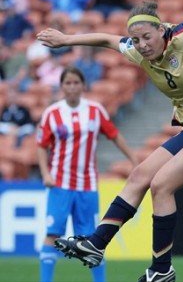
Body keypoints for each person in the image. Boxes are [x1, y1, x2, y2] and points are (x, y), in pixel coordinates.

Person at [36, 0, 183, 282]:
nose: (142, 45)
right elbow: (106, 39)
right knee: (140, 175)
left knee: (161, 185)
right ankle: (96, 244)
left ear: (162, 30)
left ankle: (161, 270)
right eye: (136, 40)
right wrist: (66, 40)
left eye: (147, 38)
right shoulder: (137, 51)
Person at [37, 66, 137, 282]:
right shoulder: (52, 113)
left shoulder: (95, 110)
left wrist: (134, 161)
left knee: (92, 238)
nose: (72, 87)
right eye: (68, 83)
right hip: (59, 183)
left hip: (87, 184)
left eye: (76, 82)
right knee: (52, 234)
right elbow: (41, 145)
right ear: (62, 86)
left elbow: (114, 135)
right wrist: (45, 173)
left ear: (83, 85)